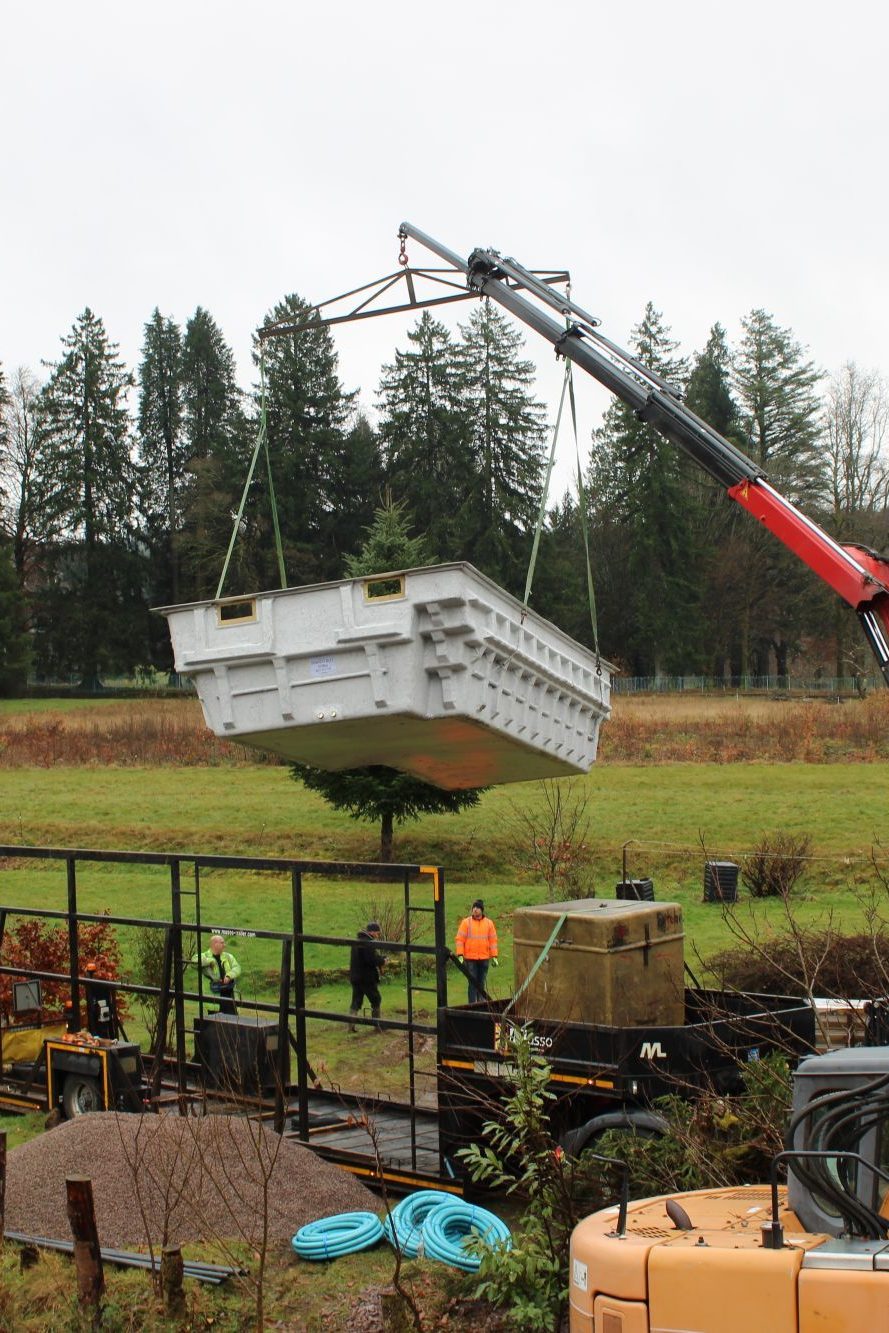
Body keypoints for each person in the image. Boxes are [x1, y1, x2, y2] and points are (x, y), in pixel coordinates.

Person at [455, 899, 499, 1003]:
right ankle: (472, 1004)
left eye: (477, 908)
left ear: (482, 910)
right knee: (472, 983)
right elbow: (460, 939)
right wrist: (460, 954)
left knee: (481, 982)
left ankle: (481, 1003)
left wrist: (494, 956)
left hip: (484, 958)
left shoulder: (489, 923)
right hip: (471, 958)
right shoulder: (466, 922)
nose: (475, 910)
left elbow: (493, 941)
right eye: (474, 908)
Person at [349, 921, 385, 1032]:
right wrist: (382, 960)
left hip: (356, 976)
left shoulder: (357, 941)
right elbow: (370, 960)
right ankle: (377, 1025)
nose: (378, 935)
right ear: (372, 932)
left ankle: (351, 1026)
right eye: (377, 933)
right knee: (376, 999)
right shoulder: (368, 943)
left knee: (356, 1001)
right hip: (366, 978)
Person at [194, 934, 241, 1015]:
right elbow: (194, 961)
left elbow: (237, 968)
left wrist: (229, 976)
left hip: (230, 997)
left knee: (232, 1024)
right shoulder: (204, 956)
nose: (224, 945)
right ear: (215, 944)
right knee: (215, 1025)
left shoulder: (229, 957)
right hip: (214, 1000)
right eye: (222, 943)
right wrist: (210, 961)